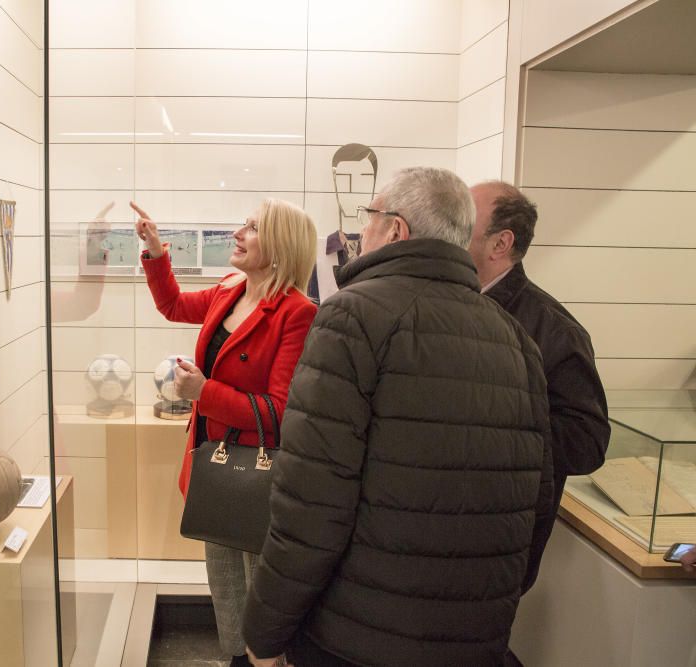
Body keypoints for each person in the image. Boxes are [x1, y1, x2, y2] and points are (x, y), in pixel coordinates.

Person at [242, 167, 553, 667]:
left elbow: (311, 501)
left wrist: (265, 633)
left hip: (355, 637)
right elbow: (538, 499)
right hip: (474, 637)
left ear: (396, 231)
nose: (359, 231)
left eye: (370, 217)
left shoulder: (352, 317)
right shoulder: (515, 337)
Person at [132, 199, 318, 667]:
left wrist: (203, 391)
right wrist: (155, 252)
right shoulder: (231, 289)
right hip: (213, 464)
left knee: (261, 592)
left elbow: (279, 413)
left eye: (252, 228)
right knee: (225, 584)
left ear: (278, 247)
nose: (238, 233)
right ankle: (236, 658)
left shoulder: (297, 313)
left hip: (257, 478)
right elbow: (173, 305)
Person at [468, 180, 610, 593]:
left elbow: (587, 442)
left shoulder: (555, 330)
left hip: (501, 538)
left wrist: (491, 431)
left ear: (501, 243)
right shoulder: (450, 306)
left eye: (465, 222)